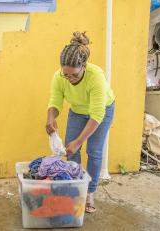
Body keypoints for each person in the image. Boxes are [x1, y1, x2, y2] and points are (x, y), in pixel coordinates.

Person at [45, 31, 115, 213]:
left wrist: (79, 141)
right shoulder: (59, 76)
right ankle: (76, 188)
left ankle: (89, 193)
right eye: (65, 74)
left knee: (94, 151)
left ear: (84, 66)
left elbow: (97, 114)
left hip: (102, 111)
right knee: (70, 149)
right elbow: (55, 101)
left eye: (74, 75)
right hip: (77, 110)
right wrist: (50, 118)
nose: (69, 79)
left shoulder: (96, 76)